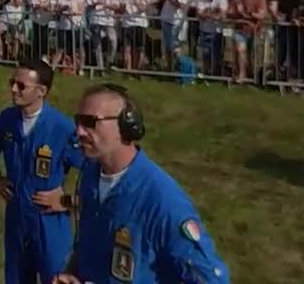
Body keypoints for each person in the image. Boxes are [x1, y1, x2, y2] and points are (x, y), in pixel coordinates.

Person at [53, 84, 229, 284]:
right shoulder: (90, 175)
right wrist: (72, 274)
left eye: (89, 122)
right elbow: (86, 243)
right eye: (78, 122)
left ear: (126, 126)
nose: (79, 131)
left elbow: (211, 279)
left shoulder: (163, 200)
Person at [0, 60, 83, 283]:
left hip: (48, 220)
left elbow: (94, 173)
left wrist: (68, 201)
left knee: (55, 278)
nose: (13, 89)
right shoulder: (6, 120)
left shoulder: (61, 128)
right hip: (17, 216)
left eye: (21, 85)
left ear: (41, 91)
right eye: (12, 83)